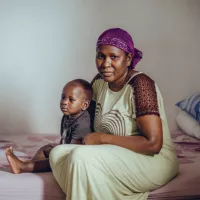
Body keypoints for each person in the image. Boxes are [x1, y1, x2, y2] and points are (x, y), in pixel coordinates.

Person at [49, 28, 179, 200]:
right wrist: (61, 145)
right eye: (101, 56)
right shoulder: (98, 83)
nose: (105, 64)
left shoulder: (141, 85)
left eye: (114, 57)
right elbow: (83, 124)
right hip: (112, 155)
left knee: (80, 158)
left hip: (153, 159)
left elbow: (153, 144)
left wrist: (102, 138)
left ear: (128, 59)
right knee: (57, 154)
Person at [5, 79, 93, 174]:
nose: (64, 102)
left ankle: (23, 167)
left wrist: (57, 153)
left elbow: (73, 150)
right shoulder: (67, 116)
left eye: (71, 100)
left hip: (72, 157)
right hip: (65, 149)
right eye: (63, 97)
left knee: (53, 159)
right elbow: (64, 137)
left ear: (84, 105)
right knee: (46, 149)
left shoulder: (82, 123)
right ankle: (32, 164)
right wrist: (56, 148)